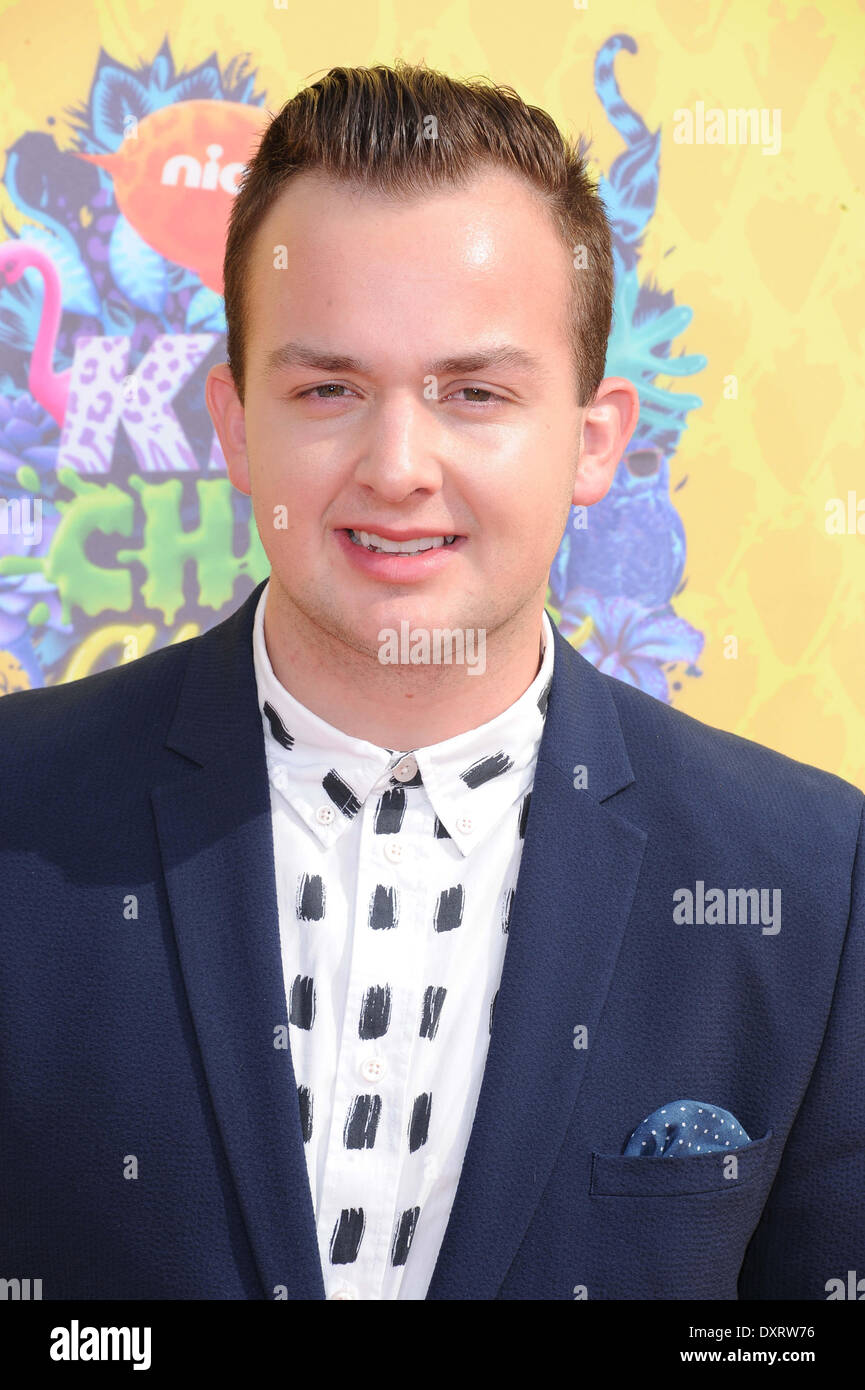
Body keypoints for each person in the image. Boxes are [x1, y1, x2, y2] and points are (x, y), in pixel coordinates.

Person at [0, 61, 862, 1302]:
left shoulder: (804, 880)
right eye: (330, 389)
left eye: (474, 393)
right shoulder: (20, 818)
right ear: (236, 424)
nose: (398, 465)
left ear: (593, 438)